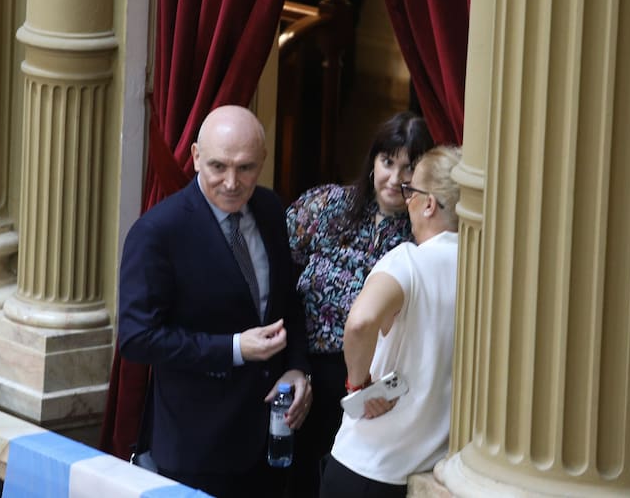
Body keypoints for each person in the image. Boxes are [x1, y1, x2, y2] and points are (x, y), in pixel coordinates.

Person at [118, 105, 313, 498]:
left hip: (269, 445)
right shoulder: (158, 232)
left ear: (262, 162)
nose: (231, 182)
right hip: (196, 451)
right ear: (194, 158)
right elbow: (137, 337)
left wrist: (297, 370)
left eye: (245, 168)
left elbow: (288, 305)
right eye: (218, 166)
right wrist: (236, 348)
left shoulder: (271, 209)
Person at [285, 111, 433, 496]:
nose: (396, 178)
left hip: (374, 387)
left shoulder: (424, 237)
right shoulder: (325, 207)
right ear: (373, 162)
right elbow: (280, 276)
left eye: (409, 167)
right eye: (388, 162)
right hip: (307, 371)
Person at [320, 145, 462, 498]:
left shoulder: (407, 261)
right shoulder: (485, 271)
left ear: (428, 203)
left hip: (367, 464)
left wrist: (358, 385)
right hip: (428, 473)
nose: (406, 201)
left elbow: (360, 322)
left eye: (410, 191)